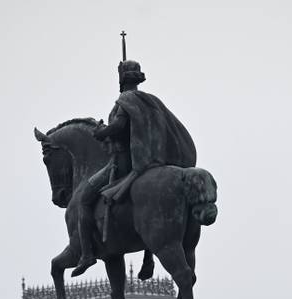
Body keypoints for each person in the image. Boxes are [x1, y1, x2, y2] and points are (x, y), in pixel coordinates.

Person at [71, 58, 197, 278]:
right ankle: (149, 256)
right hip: (150, 160)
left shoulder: (126, 100)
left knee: (83, 199)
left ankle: (87, 254)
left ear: (121, 78)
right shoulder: (150, 102)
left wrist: (102, 132)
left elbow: (119, 126)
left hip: (121, 163)